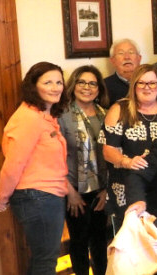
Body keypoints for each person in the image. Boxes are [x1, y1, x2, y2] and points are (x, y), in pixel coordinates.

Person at [0, 62, 71, 275]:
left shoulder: (44, 115)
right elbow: (14, 163)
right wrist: (2, 197)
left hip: (47, 195)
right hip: (37, 197)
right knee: (46, 262)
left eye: (59, 82)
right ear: (33, 86)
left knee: (44, 259)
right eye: (48, 82)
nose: (55, 87)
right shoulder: (28, 118)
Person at [102, 64, 157, 229]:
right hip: (128, 186)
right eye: (141, 83)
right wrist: (126, 161)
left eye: (152, 83)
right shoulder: (120, 110)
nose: (147, 88)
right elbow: (108, 150)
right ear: (134, 86)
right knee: (133, 242)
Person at [59, 65, 110, 275]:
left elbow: (112, 155)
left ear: (99, 89)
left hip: (100, 191)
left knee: (100, 241)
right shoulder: (61, 115)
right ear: (73, 85)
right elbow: (54, 158)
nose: (87, 87)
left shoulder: (106, 115)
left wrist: (106, 191)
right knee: (78, 242)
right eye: (82, 82)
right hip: (73, 191)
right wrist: (70, 192)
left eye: (92, 83)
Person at [105, 39, 142, 103]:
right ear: (112, 61)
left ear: (139, 58)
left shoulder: (150, 82)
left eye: (131, 52)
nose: (127, 57)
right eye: (121, 53)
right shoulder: (104, 86)